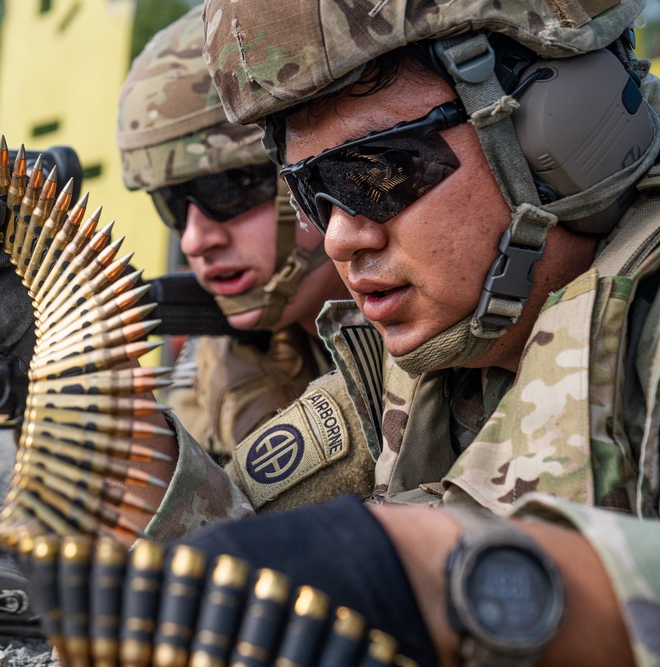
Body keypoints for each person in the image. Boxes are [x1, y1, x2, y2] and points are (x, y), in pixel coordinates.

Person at [153, 0, 660, 665]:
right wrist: (101, 418)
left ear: (559, 133)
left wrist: (427, 573)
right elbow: (235, 539)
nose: (338, 235)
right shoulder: (430, 352)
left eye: (376, 174)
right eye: (313, 193)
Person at [115, 5, 348, 461]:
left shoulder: (441, 343)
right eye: (173, 205)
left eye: (226, 190)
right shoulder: (223, 347)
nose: (194, 240)